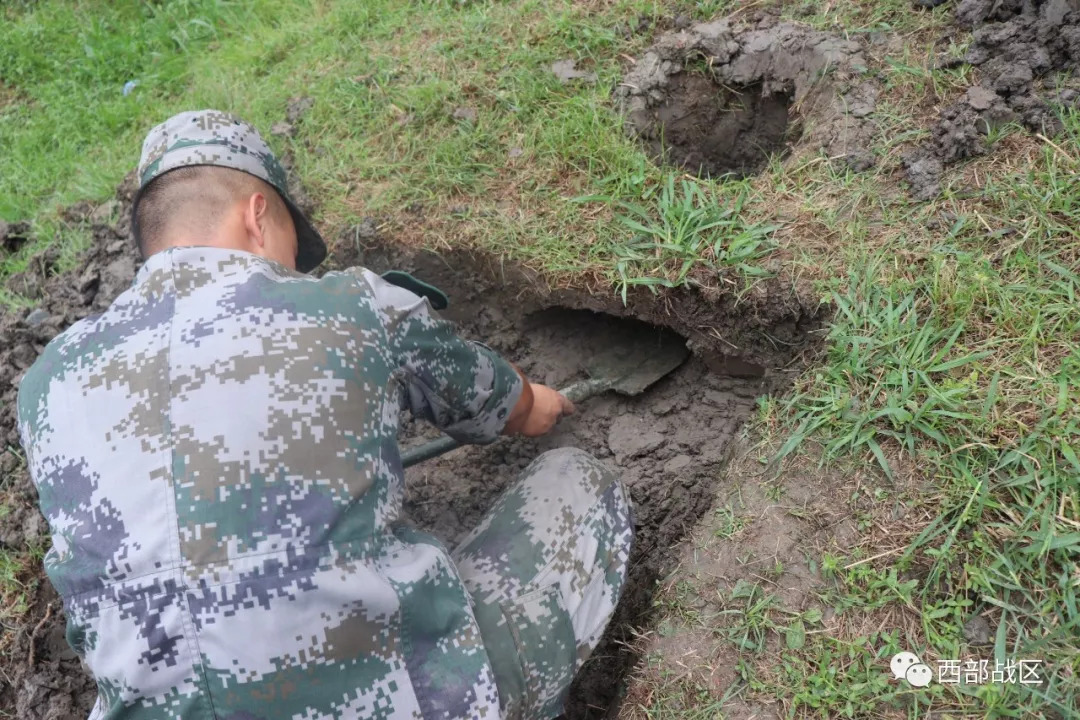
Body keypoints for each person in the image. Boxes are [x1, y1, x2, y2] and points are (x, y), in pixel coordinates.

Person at [16, 110, 632, 720]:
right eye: (292, 247)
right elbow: (500, 406)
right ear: (257, 215)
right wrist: (538, 402)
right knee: (575, 483)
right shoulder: (353, 302)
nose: (294, 268)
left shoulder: (48, 382)